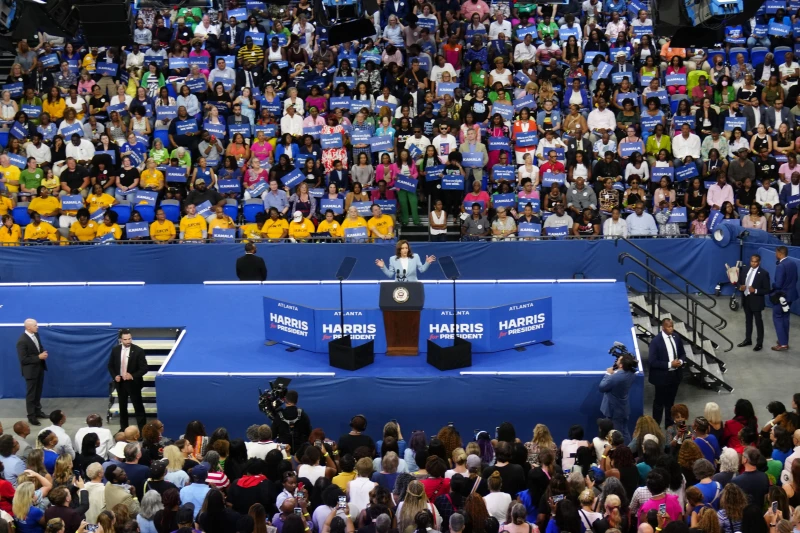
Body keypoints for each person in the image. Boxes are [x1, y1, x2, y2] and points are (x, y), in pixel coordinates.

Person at [107, 329, 148, 431]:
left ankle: (143, 430)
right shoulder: (115, 350)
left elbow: (144, 368)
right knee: (122, 407)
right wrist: (115, 376)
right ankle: (123, 429)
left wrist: (132, 375)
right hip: (120, 383)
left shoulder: (139, 351)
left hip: (133, 383)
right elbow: (110, 366)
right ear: (121, 340)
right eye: (125, 339)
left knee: (138, 407)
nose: (128, 341)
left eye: (130, 338)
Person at [648, 319, 685, 428]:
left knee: (670, 402)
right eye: (669, 327)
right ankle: (656, 425)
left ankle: (669, 424)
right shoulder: (656, 341)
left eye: (672, 326)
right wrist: (670, 364)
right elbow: (652, 361)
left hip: (675, 376)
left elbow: (682, 353)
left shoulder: (676, 337)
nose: (671, 329)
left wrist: (680, 362)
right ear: (663, 328)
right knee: (659, 403)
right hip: (661, 378)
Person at [599, 354, 638, 442]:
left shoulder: (616, 377)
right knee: (624, 431)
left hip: (613, 410)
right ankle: (628, 452)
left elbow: (602, 387)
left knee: (616, 434)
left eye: (618, 360)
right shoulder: (632, 373)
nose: (616, 361)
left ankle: (621, 453)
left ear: (621, 365)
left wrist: (608, 374)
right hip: (623, 408)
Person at [16, 319, 47, 426]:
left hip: (39, 369)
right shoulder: (22, 341)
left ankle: (38, 412)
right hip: (30, 372)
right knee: (31, 395)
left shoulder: (36, 335)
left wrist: (42, 352)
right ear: (28, 327)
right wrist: (38, 357)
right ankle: (31, 416)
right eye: (35, 325)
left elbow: (39, 347)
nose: (37, 327)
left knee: (38, 392)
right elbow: (23, 359)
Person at [737, 254, 771, 352]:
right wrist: (740, 287)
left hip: (756, 301)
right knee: (748, 321)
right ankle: (748, 340)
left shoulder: (764, 273)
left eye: (755, 262)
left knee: (758, 322)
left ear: (759, 262)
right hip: (746, 299)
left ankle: (759, 343)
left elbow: (767, 290)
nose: (753, 263)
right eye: (752, 261)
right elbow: (739, 282)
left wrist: (755, 290)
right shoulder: (745, 270)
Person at [771, 246, 798, 351]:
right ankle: (784, 340)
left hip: (782, 296)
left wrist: (772, 285)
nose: (775, 254)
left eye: (776, 252)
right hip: (791, 295)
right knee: (785, 318)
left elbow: (778, 284)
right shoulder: (793, 263)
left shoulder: (781, 266)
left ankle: (783, 344)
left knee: (777, 318)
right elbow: (795, 279)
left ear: (780, 253)